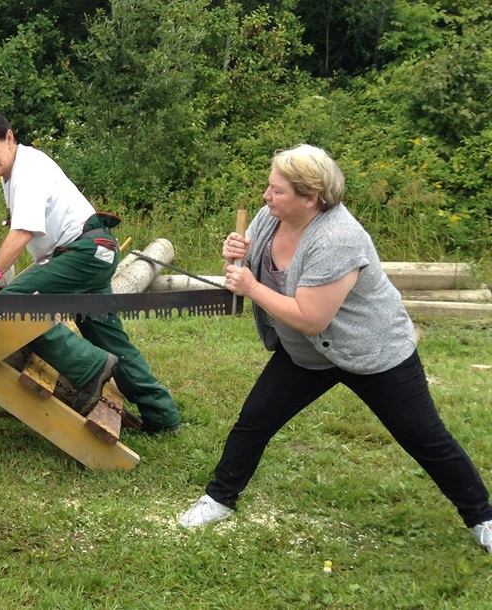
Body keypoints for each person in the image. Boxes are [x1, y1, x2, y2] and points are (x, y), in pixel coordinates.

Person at [178, 144, 492, 553]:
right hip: (307, 355)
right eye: (268, 187)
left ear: (311, 198)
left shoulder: (339, 239)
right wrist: (236, 258)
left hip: (374, 353)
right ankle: (219, 499)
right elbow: (251, 271)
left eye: (277, 191)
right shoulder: (269, 218)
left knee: (425, 438)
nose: (266, 196)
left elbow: (311, 318)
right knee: (255, 420)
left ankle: (483, 518)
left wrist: (250, 287)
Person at [0, 110, 181, 434]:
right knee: (111, 340)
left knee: (14, 303)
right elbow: (32, 234)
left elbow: (24, 231)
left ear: (9, 139)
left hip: (84, 253)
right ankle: (163, 417)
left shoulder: (26, 169)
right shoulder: (14, 173)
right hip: (92, 250)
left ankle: (91, 368)